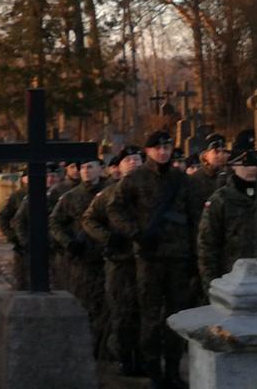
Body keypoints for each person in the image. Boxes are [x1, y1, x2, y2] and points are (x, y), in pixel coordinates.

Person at [106, 130, 197, 388]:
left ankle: (173, 370)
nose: (163, 152)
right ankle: (154, 371)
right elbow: (114, 208)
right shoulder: (135, 179)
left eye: (167, 147)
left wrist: (193, 253)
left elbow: (194, 217)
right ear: (148, 151)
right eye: (158, 148)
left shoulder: (182, 180)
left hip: (178, 257)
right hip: (149, 257)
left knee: (177, 316)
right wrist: (135, 233)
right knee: (151, 317)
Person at [196, 146, 257, 287]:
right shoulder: (221, 200)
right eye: (246, 161)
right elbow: (207, 246)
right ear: (234, 164)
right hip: (231, 280)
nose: (252, 166)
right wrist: (212, 285)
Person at [83, 149, 143, 377]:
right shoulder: (109, 193)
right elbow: (89, 219)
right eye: (128, 160)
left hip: (151, 261)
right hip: (120, 263)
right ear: (119, 166)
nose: (133, 163)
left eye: (137, 159)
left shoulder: (155, 190)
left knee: (149, 313)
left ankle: (147, 360)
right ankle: (125, 360)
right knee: (122, 312)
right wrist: (108, 238)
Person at [50, 157, 107, 358]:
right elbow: (55, 222)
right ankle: (84, 350)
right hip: (83, 261)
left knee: (109, 308)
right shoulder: (71, 197)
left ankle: (105, 351)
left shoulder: (111, 192)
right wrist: (69, 242)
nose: (85, 171)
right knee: (84, 305)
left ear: (101, 169)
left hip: (109, 258)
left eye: (90, 167)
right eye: (82, 167)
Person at [0, 167, 63, 289]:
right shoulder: (19, 196)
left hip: (53, 247)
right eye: (47, 176)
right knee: (25, 282)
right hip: (26, 246)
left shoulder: (60, 195)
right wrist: (14, 237)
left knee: (56, 283)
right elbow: (4, 217)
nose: (49, 179)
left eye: (53, 176)